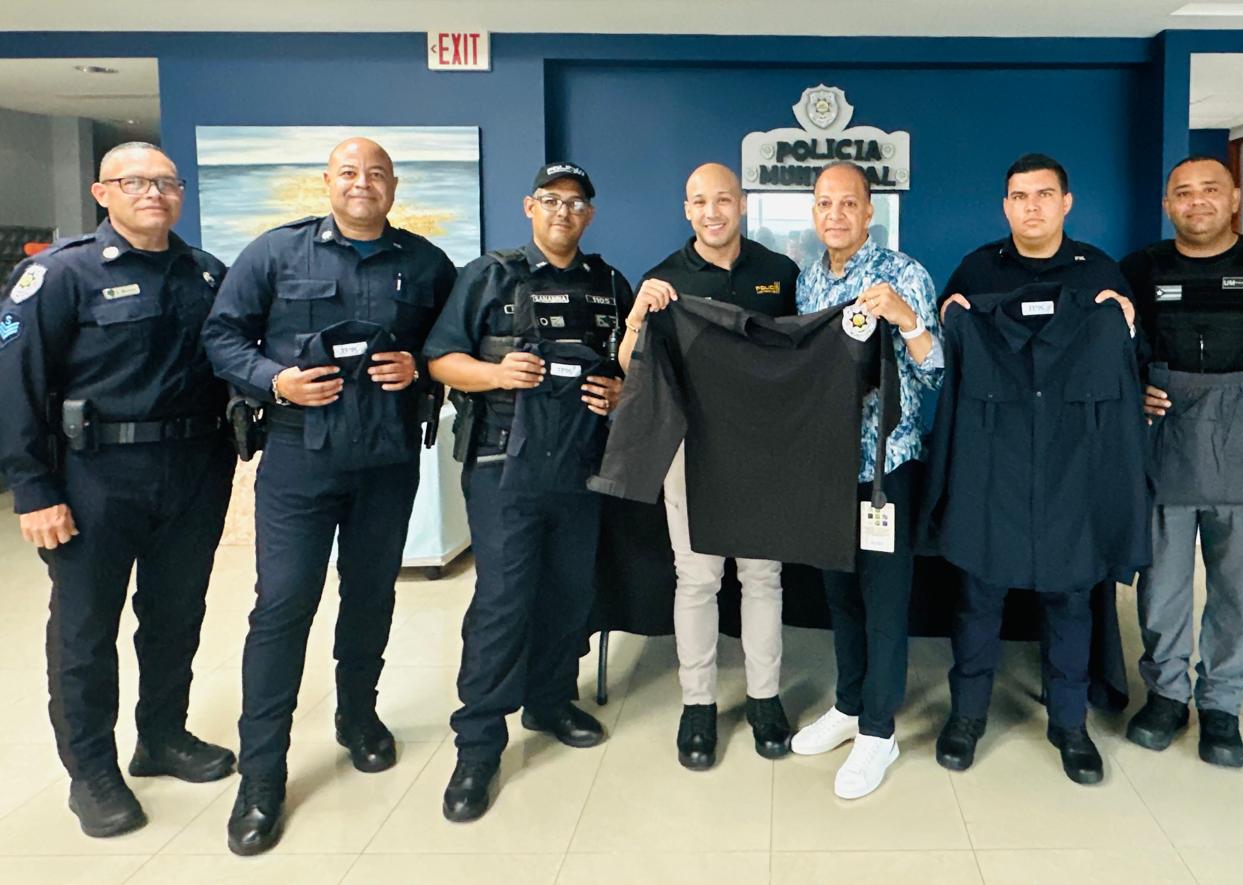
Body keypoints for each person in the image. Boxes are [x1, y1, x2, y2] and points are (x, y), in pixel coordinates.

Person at [203, 137, 456, 855]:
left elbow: (453, 346)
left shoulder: (425, 263)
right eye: (349, 172)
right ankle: (262, 774)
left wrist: (421, 369)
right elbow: (221, 336)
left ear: (393, 186)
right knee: (283, 606)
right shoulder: (275, 254)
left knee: (371, 595)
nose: (362, 183)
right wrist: (275, 380)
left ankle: (358, 717)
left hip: (387, 458)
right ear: (327, 182)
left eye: (376, 174)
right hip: (298, 457)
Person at [0, 142, 236, 838]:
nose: (153, 193)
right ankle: (92, 773)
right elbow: (15, 383)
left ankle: (162, 736)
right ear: (102, 193)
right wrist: (31, 487)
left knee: (176, 616)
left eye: (166, 183)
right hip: (94, 476)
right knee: (85, 630)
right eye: (135, 182)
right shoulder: (58, 274)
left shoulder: (205, 272)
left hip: (192, 471)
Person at [422, 161, 630, 822]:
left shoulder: (610, 284)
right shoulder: (488, 276)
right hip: (501, 468)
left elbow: (631, 365)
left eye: (576, 203)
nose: (564, 211)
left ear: (589, 214)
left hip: (582, 467)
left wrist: (620, 391)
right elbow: (440, 359)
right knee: (503, 601)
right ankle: (478, 744)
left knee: (569, 593)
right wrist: (494, 373)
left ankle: (550, 701)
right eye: (551, 200)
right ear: (529, 207)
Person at [932, 153, 1137, 784]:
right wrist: (947, 319)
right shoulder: (976, 270)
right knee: (977, 595)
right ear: (1006, 206)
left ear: (1065, 202)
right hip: (993, 463)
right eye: (1019, 196)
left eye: (1044, 195)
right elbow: (946, 356)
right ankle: (967, 715)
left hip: (1072, 466)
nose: (1032, 207)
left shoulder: (1100, 273)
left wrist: (1126, 322)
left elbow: (1127, 368)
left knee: (1071, 597)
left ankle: (1070, 724)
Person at [1117, 156, 1243, 768]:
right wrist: (1132, 387)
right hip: (1165, 436)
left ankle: (1222, 705)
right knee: (1161, 587)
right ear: (1167, 204)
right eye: (1183, 192)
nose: (1196, 201)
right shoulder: (1139, 270)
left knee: (1238, 589)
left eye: (1210, 190)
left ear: (1234, 199)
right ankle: (1167, 696)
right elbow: (1109, 346)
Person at [626, 163, 800, 771]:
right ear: (686, 209)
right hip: (689, 446)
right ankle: (697, 703)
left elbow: (804, 352)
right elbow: (628, 367)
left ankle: (764, 698)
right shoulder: (663, 279)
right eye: (699, 201)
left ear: (742, 204)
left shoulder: (779, 273)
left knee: (762, 577)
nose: (711, 212)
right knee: (698, 579)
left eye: (722, 200)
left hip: (762, 448)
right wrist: (637, 317)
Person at [787, 160, 943, 800]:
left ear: (869, 211)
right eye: (825, 204)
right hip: (827, 469)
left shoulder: (905, 274)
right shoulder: (806, 281)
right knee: (840, 595)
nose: (836, 215)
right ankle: (849, 705)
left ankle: (880, 730)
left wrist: (908, 320)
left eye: (848, 203)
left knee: (884, 600)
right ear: (814, 212)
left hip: (886, 469)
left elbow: (936, 373)